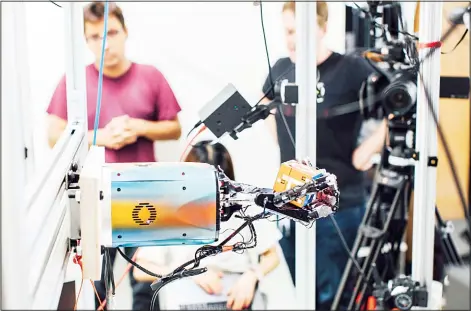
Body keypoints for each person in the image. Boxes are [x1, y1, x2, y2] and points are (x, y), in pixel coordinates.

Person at [46, 2, 182, 310]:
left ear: (125, 32)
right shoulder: (75, 82)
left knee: (148, 284)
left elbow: (174, 129)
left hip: (146, 197)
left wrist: (139, 127)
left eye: (111, 32)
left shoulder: (151, 76)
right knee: (96, 286)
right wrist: (100, 138)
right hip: (96, 201)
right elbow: (53, 134)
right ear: (85, 40)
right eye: (95, 36)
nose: (104, 43)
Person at [260, 1, 387, 309]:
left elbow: (396, 107)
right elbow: (264, 104)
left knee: (334, 296)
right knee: (299, 291)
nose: (291, 39)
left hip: (339, 206)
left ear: (322, 28)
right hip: (291, 200)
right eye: (287, 32)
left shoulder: (352, 69)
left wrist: (363, 154)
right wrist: (282, 143)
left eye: (297, 31)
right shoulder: (281, 67)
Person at [133, 140, 296, 310]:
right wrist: (185, 273)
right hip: (186, 298)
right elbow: (140, 269)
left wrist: (253, 275)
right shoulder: (169, 211)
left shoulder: (243, 207)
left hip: (237, 299)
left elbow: (272, 255)